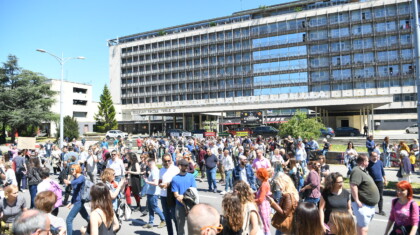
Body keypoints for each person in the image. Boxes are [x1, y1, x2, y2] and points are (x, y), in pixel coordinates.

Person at [350, 154, 380, 235]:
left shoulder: (362, 171)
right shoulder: (356, 170)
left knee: (362, 226)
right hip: (362, 204)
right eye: (367, 160)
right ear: (363, 162)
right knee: (363, 228)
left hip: (367, 205)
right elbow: (353, 185)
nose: (369, 162)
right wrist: (357, 200)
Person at [171, 159, 197, 235]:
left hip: (191, 205)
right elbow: (176, 195)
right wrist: (185, 206)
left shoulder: (191, 176)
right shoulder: (175, 178)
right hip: (180, 205)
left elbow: (193, 191)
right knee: (180, 227)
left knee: (193, 226)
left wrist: (184, 198)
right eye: (185, 165)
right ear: (180, 166)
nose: (186, 167)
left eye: (187, 165)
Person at [64, 164, 90, 235]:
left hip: (79, 201)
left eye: (73, 169)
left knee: (69, 220)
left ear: (77, 169)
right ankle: (98, 226)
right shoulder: (75, 178)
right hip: (77, 201)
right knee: (86, 216)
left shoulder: (81, 177)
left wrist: (70, 182)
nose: (71, 171)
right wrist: (71, 202)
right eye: (71, 169)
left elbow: (78, 181)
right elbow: (75, 191)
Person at [159, 153, 180, 235]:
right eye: (165, 161)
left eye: (169, 161)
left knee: (175, 217)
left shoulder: (175, 169)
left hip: (172, 196)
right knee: (167, 218)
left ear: (171, 160)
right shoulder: (161, 170)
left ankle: (179, 233)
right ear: (162, 161)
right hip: (163, 195)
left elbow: (178, 182)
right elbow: (160, 181)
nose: (167, 162)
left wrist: (168, 184)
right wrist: (160, 185)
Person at [143, 158, 166, 229]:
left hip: (154, 193)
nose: (146, 164)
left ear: (149, 163)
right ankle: (150, 223)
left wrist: (147, 181)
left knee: (155, 207)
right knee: (150, 208)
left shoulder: (155, 171)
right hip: (150, 192)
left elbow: (156, 183)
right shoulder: (153, 170)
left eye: (147, 163)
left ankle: (163, 220)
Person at [367, 152, 387, 216]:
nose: (375, 157)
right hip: (372, 182)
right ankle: (369, 209)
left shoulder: (380, 162)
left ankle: (380, 210)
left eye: (376, 156)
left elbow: (382, 172)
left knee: (380, 196)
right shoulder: (368, 164)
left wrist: (385, 180)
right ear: (370, 157)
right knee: (371, 196)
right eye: (374, 156)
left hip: (379, 181)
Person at [254, 168, 271, 235]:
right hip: (265, 206)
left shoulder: (264, 184)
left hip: (263, 207)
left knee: (264, 225)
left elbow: (260, 199)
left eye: (257, 174)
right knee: (265, 224)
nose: (256, 176)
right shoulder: (265, 182)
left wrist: (252, 201)